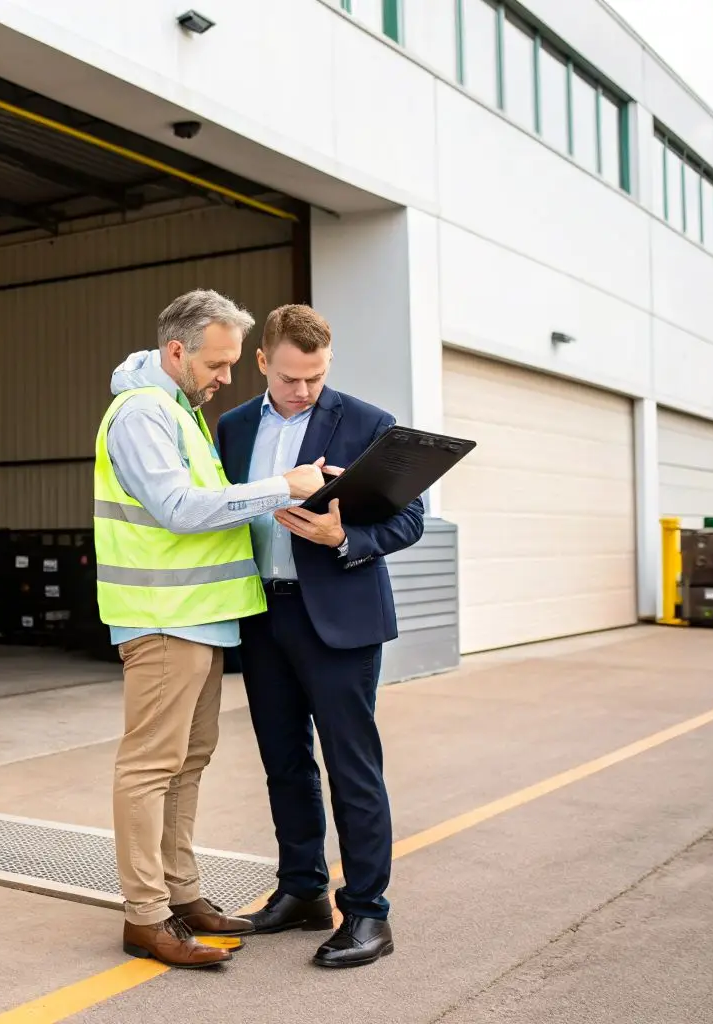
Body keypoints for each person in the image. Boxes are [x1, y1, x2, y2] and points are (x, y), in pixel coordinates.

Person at [93, 289, 328, 969]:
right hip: (165, 622)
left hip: (200, 621)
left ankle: (182, 894)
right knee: (149, 769)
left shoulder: (177, 411)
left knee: (186, 765)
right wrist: (283, 485)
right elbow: (180, 508)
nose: (228, 378)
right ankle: (146, 915)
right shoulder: (142, 414)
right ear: (176, 351)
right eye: (218, 364)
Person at [215, 304, 426, 969]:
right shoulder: (233, 426)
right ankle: (302, 890)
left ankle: (368, 913)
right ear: (262, 364)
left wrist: (346, 538)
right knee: (283, 761)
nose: (302, 391)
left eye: (314, 377)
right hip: (262, 614)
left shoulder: (368, 423)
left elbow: (410, 520)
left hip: (339, 617)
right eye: (288, 378)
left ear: (327, 361)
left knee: (351, 766)